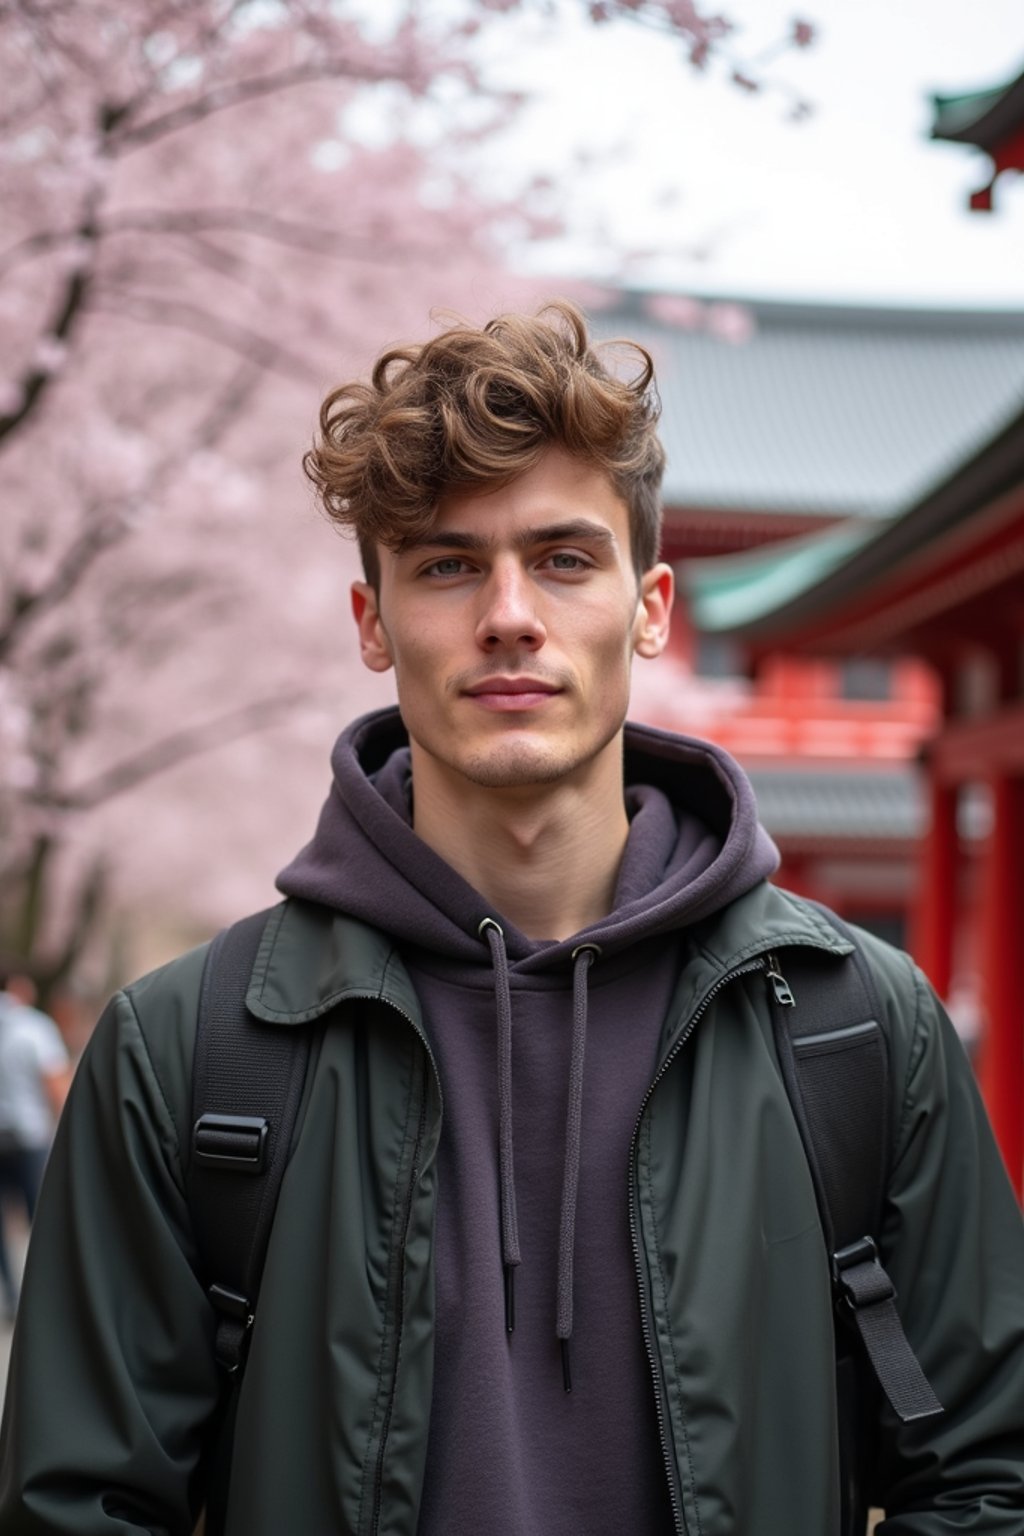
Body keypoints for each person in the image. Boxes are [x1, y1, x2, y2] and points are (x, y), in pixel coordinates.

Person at [1, 301, 1021, 1535]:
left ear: (648, 608)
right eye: (444, 564)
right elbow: (77, 1509)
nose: (509, 614)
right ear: (372, 622)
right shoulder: (193, 1050)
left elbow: (986, 1478)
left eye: (563, 557)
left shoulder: (854, 1027)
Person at [0, 966, 71, 1322]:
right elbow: (55, 1084)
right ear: (15, 983)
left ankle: (11, 1297)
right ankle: (47, 1295)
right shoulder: (34, 1026)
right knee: (41, 1218)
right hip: (29, 1138)